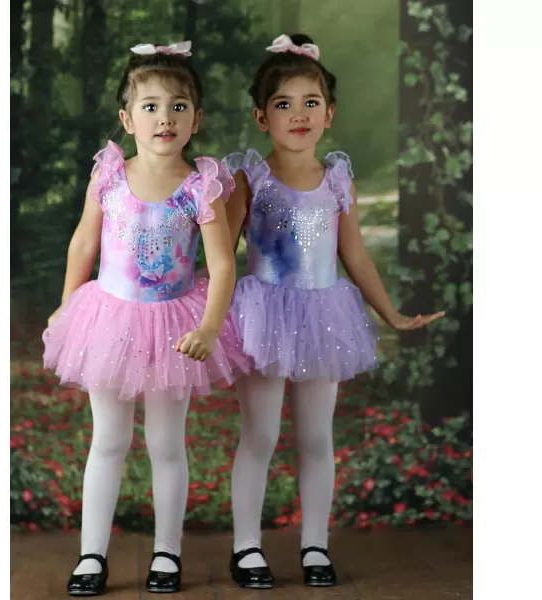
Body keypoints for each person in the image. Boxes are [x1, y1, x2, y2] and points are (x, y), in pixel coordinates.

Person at [223, 33, 445, 589]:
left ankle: (315, 545)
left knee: (317, 439)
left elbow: (355, 255)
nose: (299, 114)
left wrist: (391, 315)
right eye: (284, 104)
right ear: (261, 117)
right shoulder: (251, 178)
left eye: (311, 102)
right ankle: (246, 548)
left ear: (330, 113)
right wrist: (201, 316)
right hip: (263, 316)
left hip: (323, 316)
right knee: (260, 436)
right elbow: (220, 254)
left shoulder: (337, 179)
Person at [43, 40, 250, 596]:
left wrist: (209, 327)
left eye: (179, 107)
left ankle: (166, 553)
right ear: (127, 118)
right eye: (151, 106)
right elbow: (84, 241)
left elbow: (222, 264)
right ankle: (92, 555)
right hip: (110, 320)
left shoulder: (201, 185)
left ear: (196, 120)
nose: (165, 118)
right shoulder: (110, 175)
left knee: (166, 443)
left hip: (175, 327)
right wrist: (67, 301)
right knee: (108, 440)